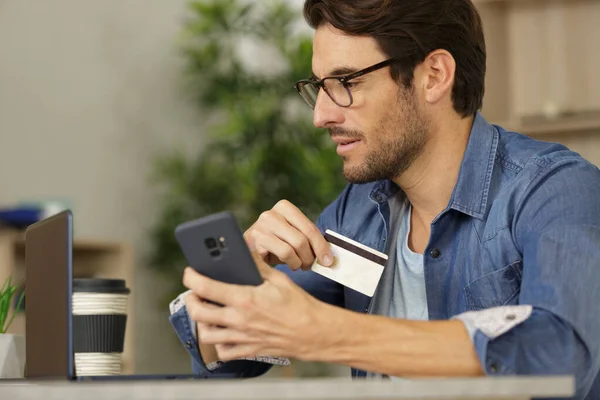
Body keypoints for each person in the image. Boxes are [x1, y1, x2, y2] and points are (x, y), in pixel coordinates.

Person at [168, 0, 600, 398]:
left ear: (433, 75)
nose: (321, 115)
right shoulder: (358, 212)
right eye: (320, 86)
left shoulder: (555, 190)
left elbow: (561, 351)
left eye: (347, 82)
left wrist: (328, 332)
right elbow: (231, 364)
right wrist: (243, 277)